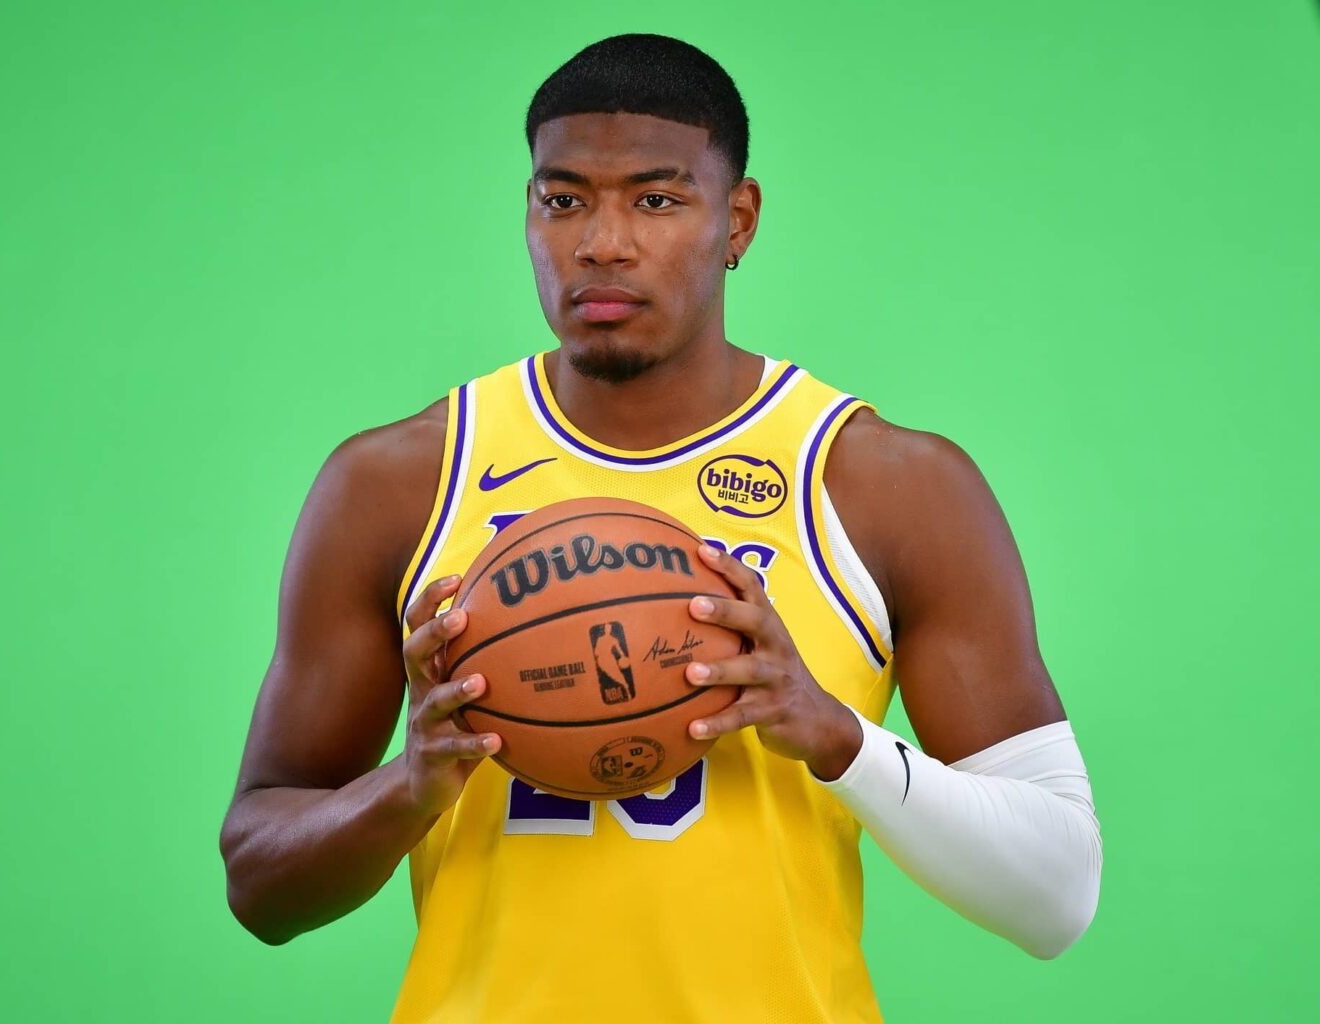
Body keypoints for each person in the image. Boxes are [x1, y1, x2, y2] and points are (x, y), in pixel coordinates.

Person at [219, 33, 1102, 1023]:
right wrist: (410, 784)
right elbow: (259, 883)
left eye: (655, 198)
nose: (603, 241)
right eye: (564, 200)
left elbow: (1058, 894)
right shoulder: (397, 482)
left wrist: (834, 736)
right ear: (529, 216)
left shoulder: (883, 485)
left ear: (739, 218)